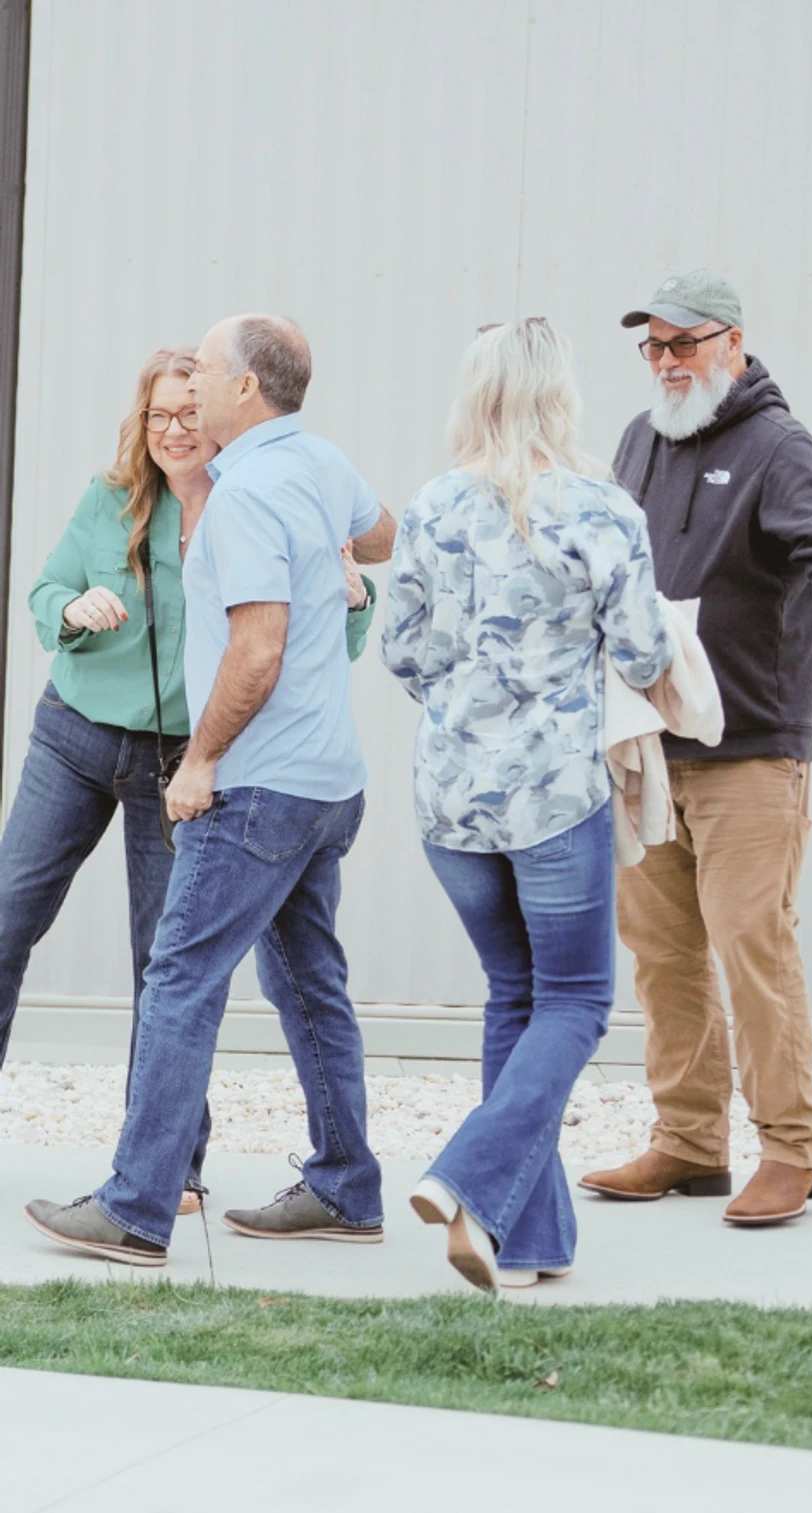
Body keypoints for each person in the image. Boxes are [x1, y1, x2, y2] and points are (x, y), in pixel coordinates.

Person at [24, 314, 397, 1264]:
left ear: (243, 391)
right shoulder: (318, 463)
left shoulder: (243, 494)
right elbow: (382, 534)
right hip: (328, 781)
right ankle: (348, 1186)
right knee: (308, 978)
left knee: (180, 976)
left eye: (211, 376)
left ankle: (138, 1207)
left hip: (256, 785)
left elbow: (258, 649)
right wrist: (336, 565)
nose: (189, 408)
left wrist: (198, 763)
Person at [381, 320, 673, 1291]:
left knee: (517, 995)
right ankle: (466, 1173)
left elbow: (404, 652)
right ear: (561, 396)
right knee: (580, 1001)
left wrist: (475, 704)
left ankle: (525, 1238)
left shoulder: (429, 508)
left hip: (450, 801)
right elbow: (643, 654)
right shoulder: (600, 510)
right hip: (553, 798)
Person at [576, 271, 812, 1227]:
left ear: (732, 345)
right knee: (662, 953)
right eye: (652, 348)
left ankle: (795, 1149)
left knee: (753, 942)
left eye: (683, 344)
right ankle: (690, 1143)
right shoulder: (638, 442)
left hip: (751, 748)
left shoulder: (777, 446)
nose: (665, 363)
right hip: (650, 750)